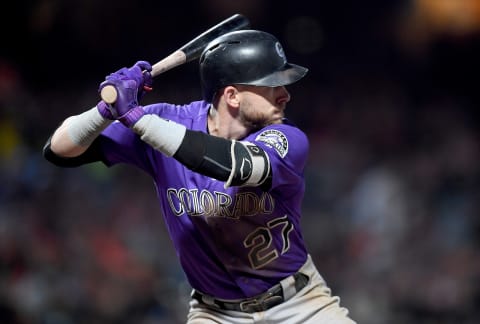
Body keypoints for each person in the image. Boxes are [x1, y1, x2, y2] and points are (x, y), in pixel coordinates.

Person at [43, 29, 356, 324]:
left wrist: (136, 118)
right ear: (232, 95)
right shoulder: (164, 122)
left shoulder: (287, 137)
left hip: (299, 304)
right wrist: (106, 109)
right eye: (272, 84)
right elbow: (58, 150)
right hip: (214, 313)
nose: (284, 94)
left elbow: (232, 164)